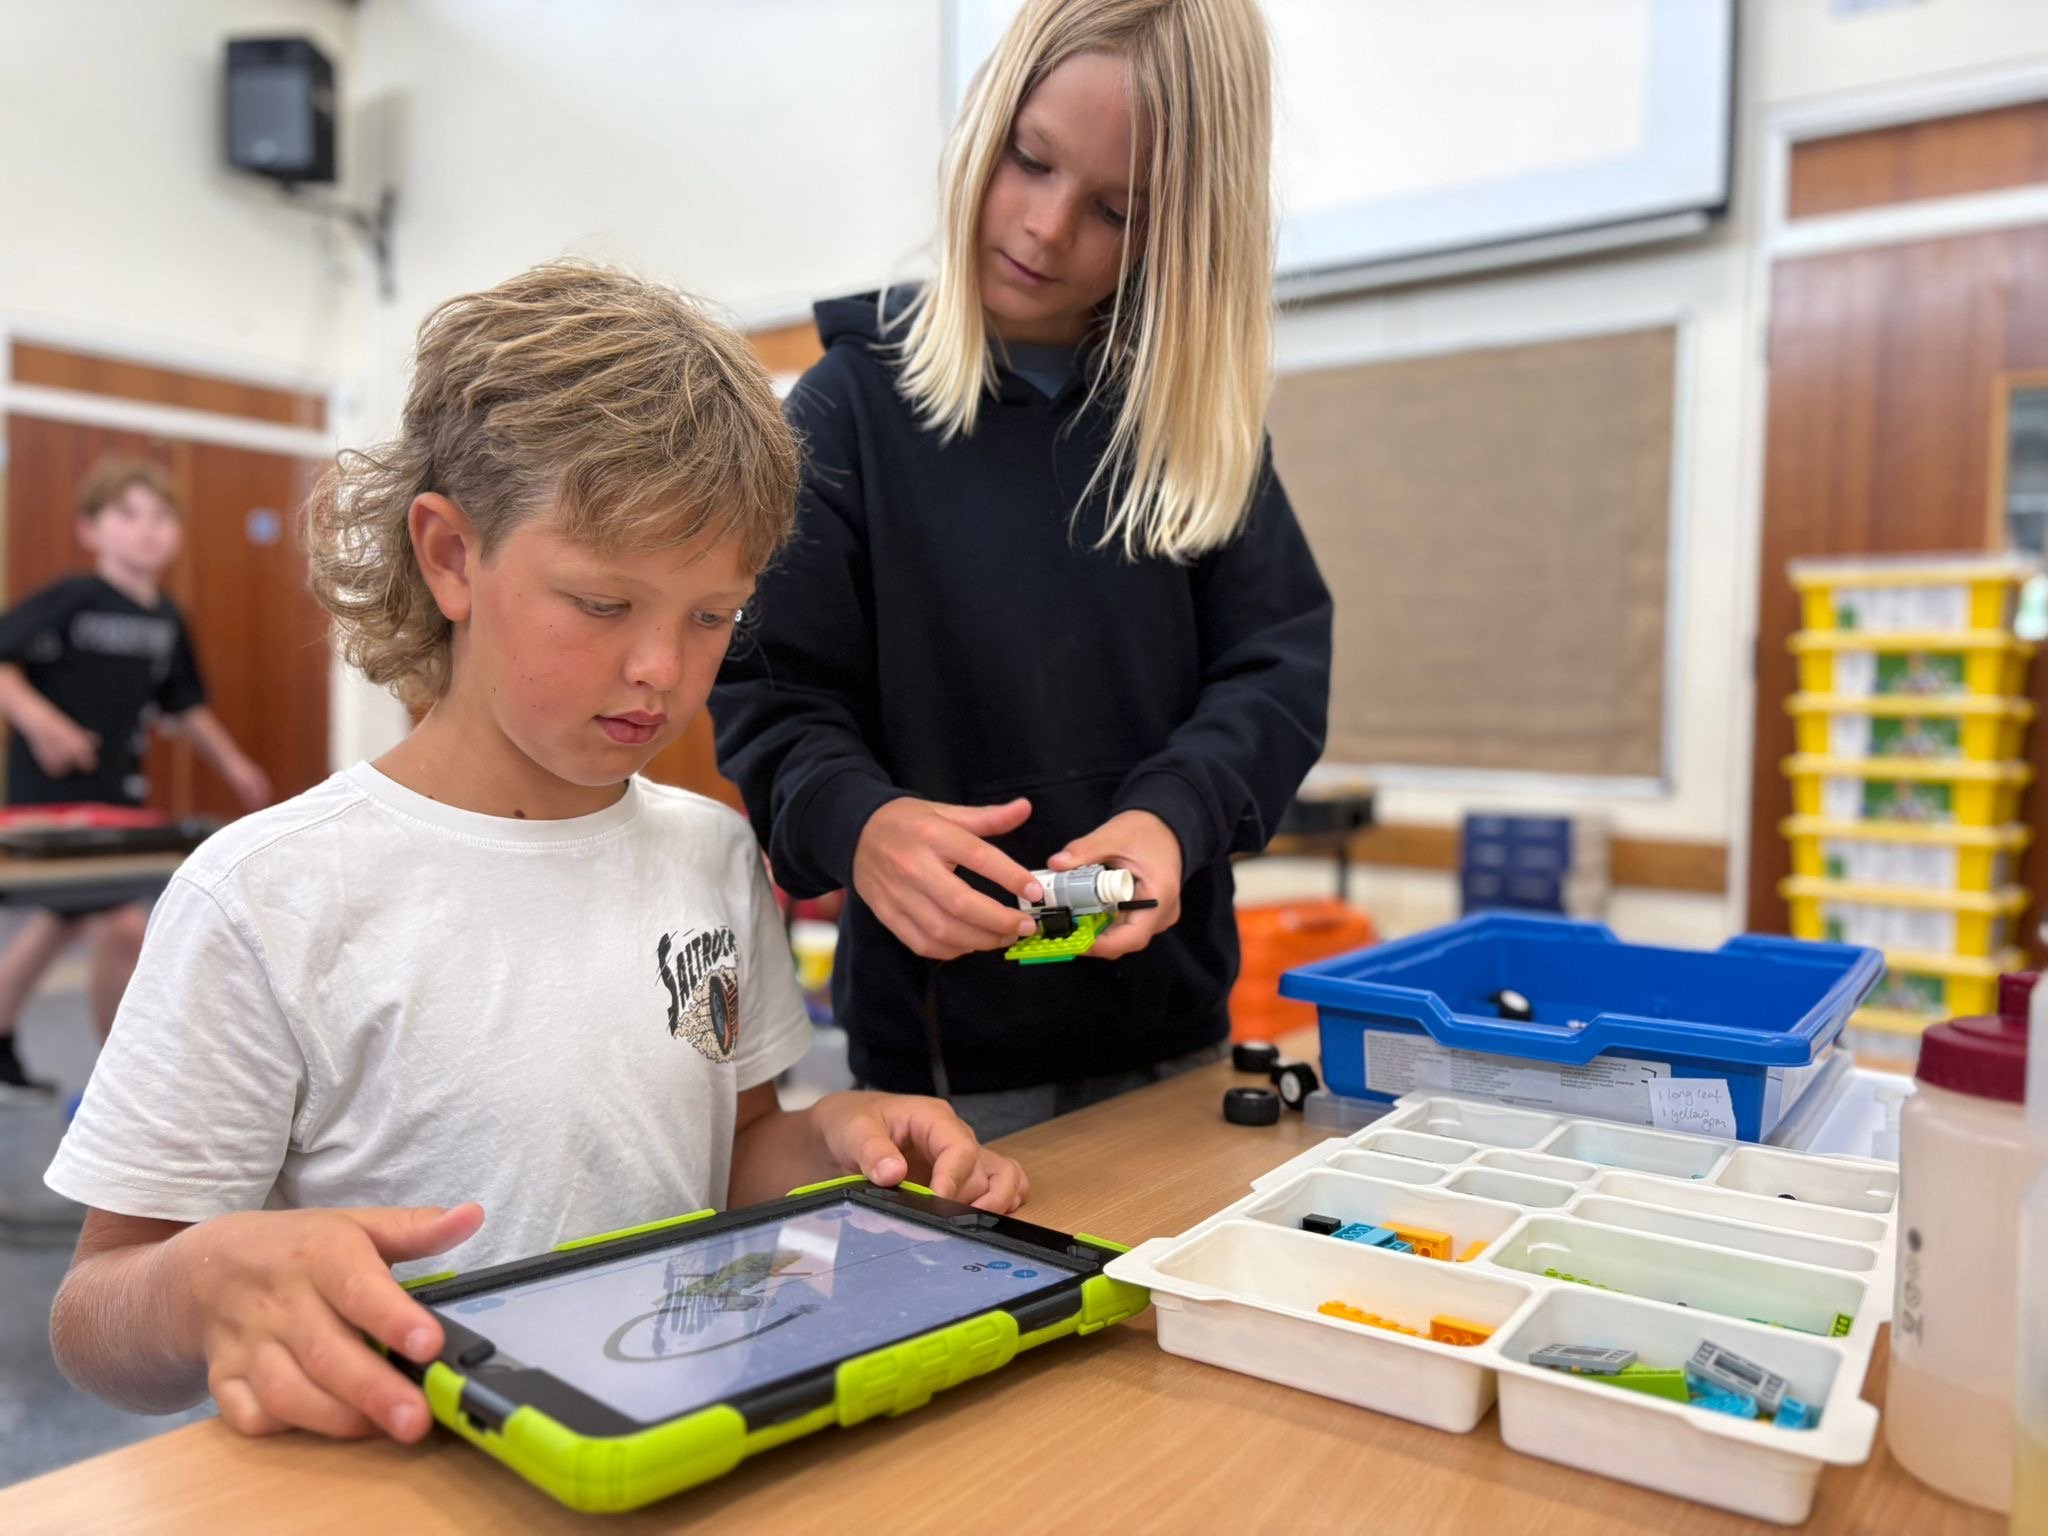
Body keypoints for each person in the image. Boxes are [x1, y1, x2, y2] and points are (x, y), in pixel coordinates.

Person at [45, 262, 1025, 1445]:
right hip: (397, 1470)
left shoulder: (711, 853)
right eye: (604, 605)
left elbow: (736, 1154)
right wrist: (202, 1288)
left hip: (665, 1443)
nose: (662, 668)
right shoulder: (269, 893)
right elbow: (97, 1317)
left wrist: (838, 1139)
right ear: (451, 557)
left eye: (711, 616)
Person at [712, 0, 1331, 1139]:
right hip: (939, 1070)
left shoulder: (1196, 425)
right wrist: (858, 823)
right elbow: (774, 699)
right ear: (981, 123)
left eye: (1113, 210)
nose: (1045, 230)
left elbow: (1273, 672)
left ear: (1177, 233)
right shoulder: (846, 412)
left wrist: (1174, 814)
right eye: (1029, 161)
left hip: (1170, 1041)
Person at [0, 459, 269, 1099]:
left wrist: (234, 765)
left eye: (160, 516)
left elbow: (186, 707)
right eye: (128, 515)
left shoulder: (168, 619)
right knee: (123, 925)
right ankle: (120, 1094)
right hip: (54, 795)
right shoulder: (72, 599)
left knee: (64, 918)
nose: (147, 530)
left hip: (117, 789)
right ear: (91, 530)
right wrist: (43, 724)